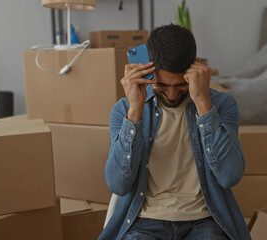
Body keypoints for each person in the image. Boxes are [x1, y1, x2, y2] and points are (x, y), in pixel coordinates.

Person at [99, 24, 251, 240]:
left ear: (195, 67)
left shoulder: (222, 105)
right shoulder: (124, 109)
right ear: (147, 70)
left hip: (204, 221)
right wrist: (135, 111)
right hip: (145, 221)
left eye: (181, 85)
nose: (171, 95)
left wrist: (203, 103)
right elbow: (118, 184)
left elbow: (229, 176)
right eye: (162, 85)